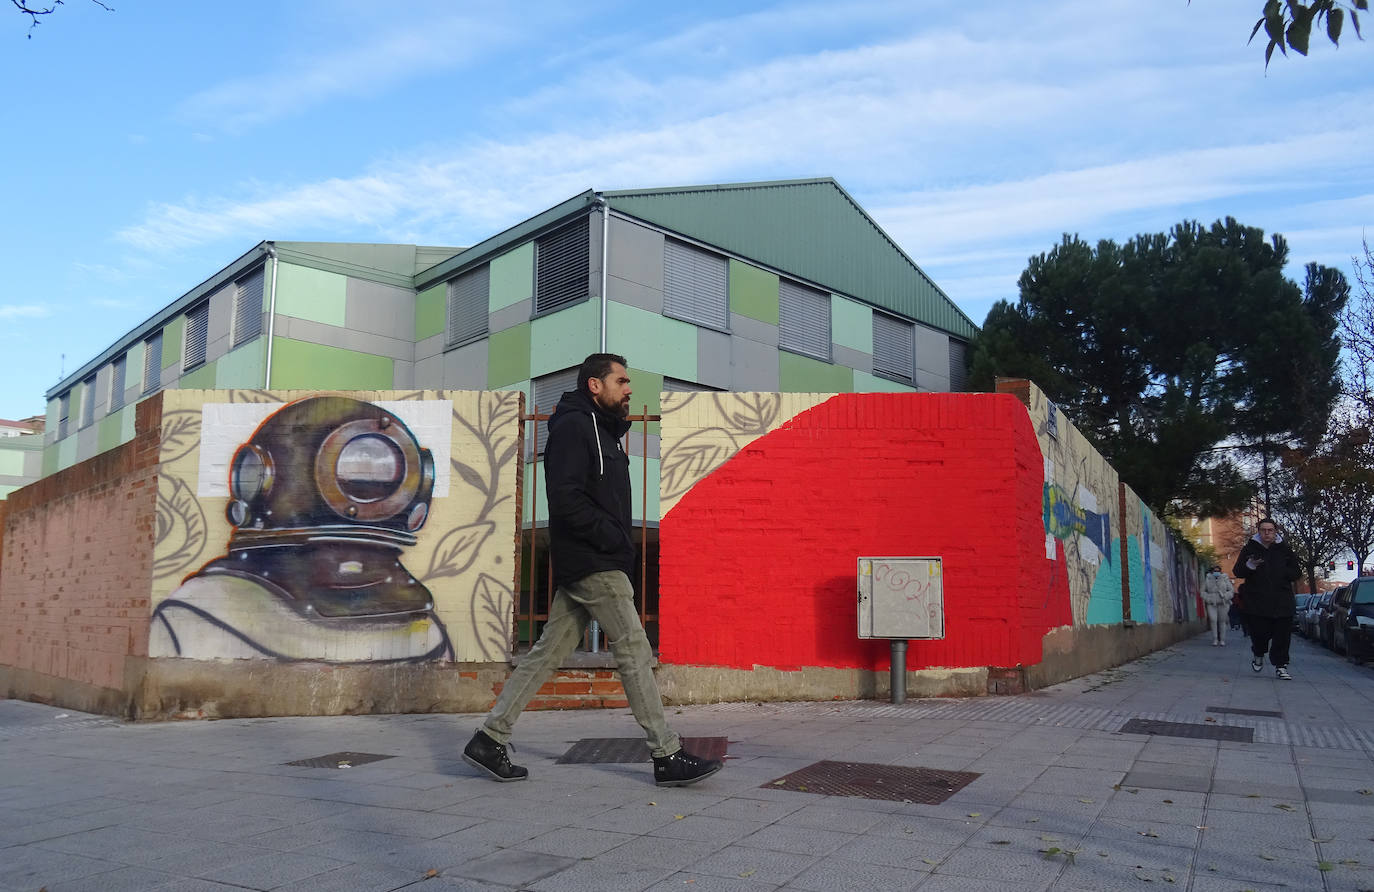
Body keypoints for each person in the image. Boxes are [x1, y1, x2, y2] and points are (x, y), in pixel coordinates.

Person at [463, 353, 723, 787]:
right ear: (595, 386)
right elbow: (565, 497)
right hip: (593, 560)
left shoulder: (602, 431)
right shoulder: (573, 427)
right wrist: (612, 538)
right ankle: (666, 753)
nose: (629, 389)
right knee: (635, 650)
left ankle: (489, 739)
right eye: (621, 381)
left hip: (592, 557)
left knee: (545, 654)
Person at [1232, 517, 1301, 680]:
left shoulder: (1284, 549)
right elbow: (1238, 571)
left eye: (1270, 530)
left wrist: (1284, 573)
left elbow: (1296, 572)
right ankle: (1258, 653)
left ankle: (1281, 665)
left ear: (1275, 531)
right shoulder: (1250, 549)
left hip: (1282, 600)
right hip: (1257, 602)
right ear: (1259, 531)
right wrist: (1251, 565)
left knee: (1282, 635)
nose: (1267, 533)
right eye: (1263, 530)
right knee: (1259, 634)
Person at [1201, 566, 1235, 646]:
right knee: (1213, 620)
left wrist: (1225, 596)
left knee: (1222, 621)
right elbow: (1202, 591)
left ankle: (1222, 640)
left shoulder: (1224, 578)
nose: (1216, 572)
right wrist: (1208, 598)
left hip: (1223, 603)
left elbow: (1231, 590)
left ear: (1220, 571)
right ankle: (1215, 639)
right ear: (1212, 571)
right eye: (1215, 571)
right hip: (1212, 603)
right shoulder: (1208, 578)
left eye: (1218, 571)